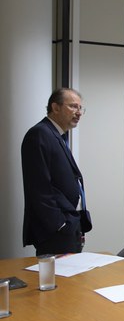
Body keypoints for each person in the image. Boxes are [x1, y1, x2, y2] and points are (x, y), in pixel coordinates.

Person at [22, 88, 92, 255]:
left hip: (70, 223)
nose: (79, 112)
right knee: (59, 279)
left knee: (73, 279)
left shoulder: (58, 135)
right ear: (56, 107)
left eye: (80, 108)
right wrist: (59, 225)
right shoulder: (39, 134)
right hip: (56, 229)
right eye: (73, 106)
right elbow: (38, 186)